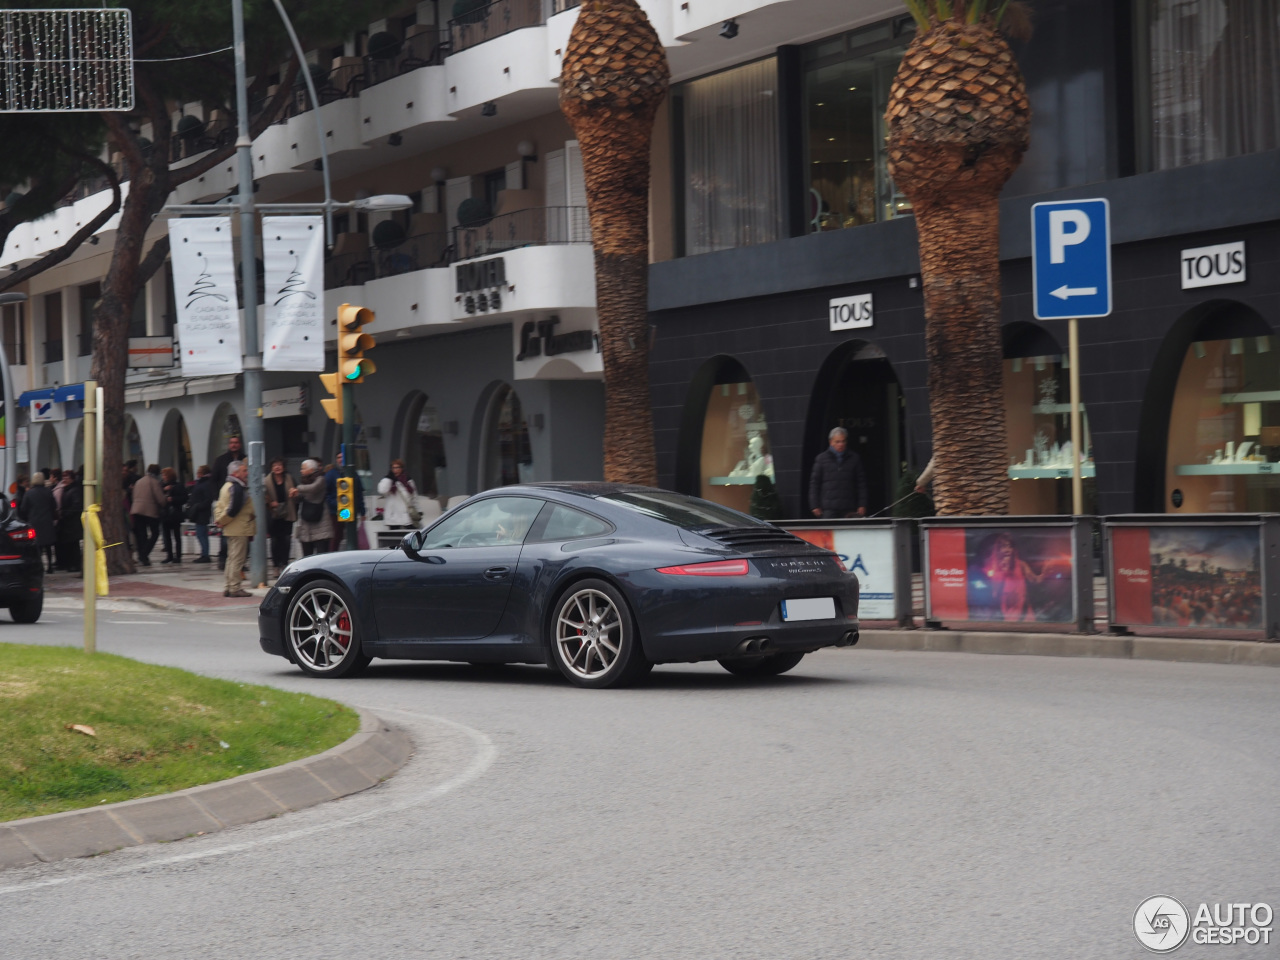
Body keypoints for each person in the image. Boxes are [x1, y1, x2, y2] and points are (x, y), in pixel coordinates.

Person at [214, 459, 255, 598]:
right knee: (237, 559)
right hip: (239, 528)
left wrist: (220, 520)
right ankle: (235, 588)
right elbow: (233, 510)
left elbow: (219, 506)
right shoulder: (237, 487)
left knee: (231, 559)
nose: (247, 473)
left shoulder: (226, 486)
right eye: (244, 470)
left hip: (233, 528)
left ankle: (229, 586)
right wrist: (222, 521)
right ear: (236, 473)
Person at [808, 426, 867, 519]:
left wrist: (862, 504)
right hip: (828, 509)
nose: (841, 444)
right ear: (831, 442)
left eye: (843, 441)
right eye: (837, 442)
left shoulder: (854, 458)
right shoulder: (821, 459)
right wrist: (814, 505)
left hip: (848, 508)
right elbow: (814, 483)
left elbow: (861, 484)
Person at [210, 435, 243, 571]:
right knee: (225, 533)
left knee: (240, 535)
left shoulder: (244, 459)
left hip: (240, 498)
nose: (233, 445)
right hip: (225, 499)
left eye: (236, 442)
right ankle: (223, 558)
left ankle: (239, 562)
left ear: (239, 444)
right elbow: (213, 480)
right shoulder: (221, 460)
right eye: (231, 443)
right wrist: (216, 497)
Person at [325, 452, 365, 551]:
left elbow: (359, 493)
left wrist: (362, 511)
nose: (340, 459)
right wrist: (335, 504)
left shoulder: (354, 474)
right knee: (337, 535)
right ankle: (332, 555)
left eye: (342, 457)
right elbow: (326, 493)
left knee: (351, 533)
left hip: (351, 509)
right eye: (338, 457)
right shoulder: (331, 474)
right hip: (337, 511)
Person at [292, 459, 333, 557]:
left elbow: (313, 488)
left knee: (321, 554)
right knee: (307, 555)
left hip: (321, 521)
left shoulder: (321, 479)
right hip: (307, 522)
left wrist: (297, 489)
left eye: (303, 469)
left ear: (311, 470)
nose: (301, 471)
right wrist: (295, 495)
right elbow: (301, 497)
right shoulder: (304, 481)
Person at [264, 457, 297, 574]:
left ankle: (284, 563)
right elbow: (263, 497)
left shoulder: (289, 479)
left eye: (279, 465)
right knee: (275, 540)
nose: (277, 467)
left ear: (283, 467)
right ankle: (276, 565)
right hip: (273, 513)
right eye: (274, 466)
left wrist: (294, 495)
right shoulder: (267, 481)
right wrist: (270, 503)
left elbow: (297, 494)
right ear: (271, 468)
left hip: (288, 512)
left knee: (287, 539)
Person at [21, 472, 58, 574]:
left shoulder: (29, 493)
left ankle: (39, 566)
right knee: (48, 545)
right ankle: (50, 566)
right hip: (47, 521)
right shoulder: (48, 492)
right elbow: (54, 505)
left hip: (34, 521)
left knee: (37, 546)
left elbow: (23, 508)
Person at [129, 464, 165, 566]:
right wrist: (164, 503)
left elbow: (133, 495)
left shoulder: (139, 481)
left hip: (136, 509)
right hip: (149, 511)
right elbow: (160, 498)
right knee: (155, 533)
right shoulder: (154, 482)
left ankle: (143, 556)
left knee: (141, 535)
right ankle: (144, 554)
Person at [186, 465, 216, 563]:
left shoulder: (205, 483)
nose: (197, 474)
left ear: (202, 473)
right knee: (202, 534)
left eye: (199, 472)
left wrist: (198, 506)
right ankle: (204, 553)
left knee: (201, 534)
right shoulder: (202, 483)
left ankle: (205, 554)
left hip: (202, 512)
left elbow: (208, 499)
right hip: (199, 512)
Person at [55, 470, 83, 573]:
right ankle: (71, 563)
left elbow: (76, 505)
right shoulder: (67, 490)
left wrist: (66, 514)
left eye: (66, 477)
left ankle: (75, 564)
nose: (64, 480)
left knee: (73, 544)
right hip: (67, 522)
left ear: (71, 479)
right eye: (63, 477)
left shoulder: (74, 490)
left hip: (72, 522)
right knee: (69, 544)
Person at [377, 459, 419, 528]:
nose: (395, 470)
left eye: (397, 467)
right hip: (393, 516)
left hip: (407, 515)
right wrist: (389, 478)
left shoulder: (408, 480)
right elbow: (382, 490)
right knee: (395, 537)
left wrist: (418, 510)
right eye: (393, 468)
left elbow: (414, 496)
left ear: (402, 468)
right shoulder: (388, 480)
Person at [160, 467, 187, 564]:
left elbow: (184, 498)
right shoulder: (162, 485)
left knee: (176, 536)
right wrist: (164, 490)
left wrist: (173, 499)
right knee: (167, 536)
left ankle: (178, 555)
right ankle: (169, 555)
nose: (163, 477)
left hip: (175, 514)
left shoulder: (178, 486)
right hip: (165, 514)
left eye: (164, 475)